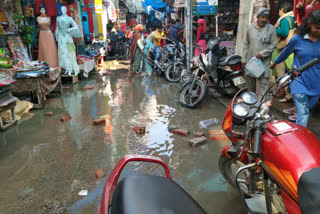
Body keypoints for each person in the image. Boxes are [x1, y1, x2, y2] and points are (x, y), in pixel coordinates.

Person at [270, 10, 320, 127]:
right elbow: (285, 53)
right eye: (317, 28)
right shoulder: (297, 39)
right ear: (309, 25)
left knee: (307, 112)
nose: (319, 31)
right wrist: (275, 63)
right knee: (303, 116)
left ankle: (300, 135)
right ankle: (301, 142)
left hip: (316, 84)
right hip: (299, 82)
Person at [242, 7, 277, 98]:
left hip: (264, 64)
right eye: (262, 17)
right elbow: (246, 44)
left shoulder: (271, 29)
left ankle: (262, 108)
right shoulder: (250, 28)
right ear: (258, 17)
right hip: (251, 63)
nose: (264, 19)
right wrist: (243, 59)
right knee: (250, 88)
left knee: (263, 88)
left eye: (266, 17)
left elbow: (273, 45)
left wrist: (262, 53)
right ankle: (250, 106)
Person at [273, 2, 295, 102]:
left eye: (279, 10)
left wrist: (276, 28)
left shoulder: (284, 20)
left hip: (284, 48)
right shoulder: (292, 18)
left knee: (280, 71)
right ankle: (287, 93)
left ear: (282, 10)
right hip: (291, 48)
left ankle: (287, 94)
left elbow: (284, 33)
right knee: (290, 71)